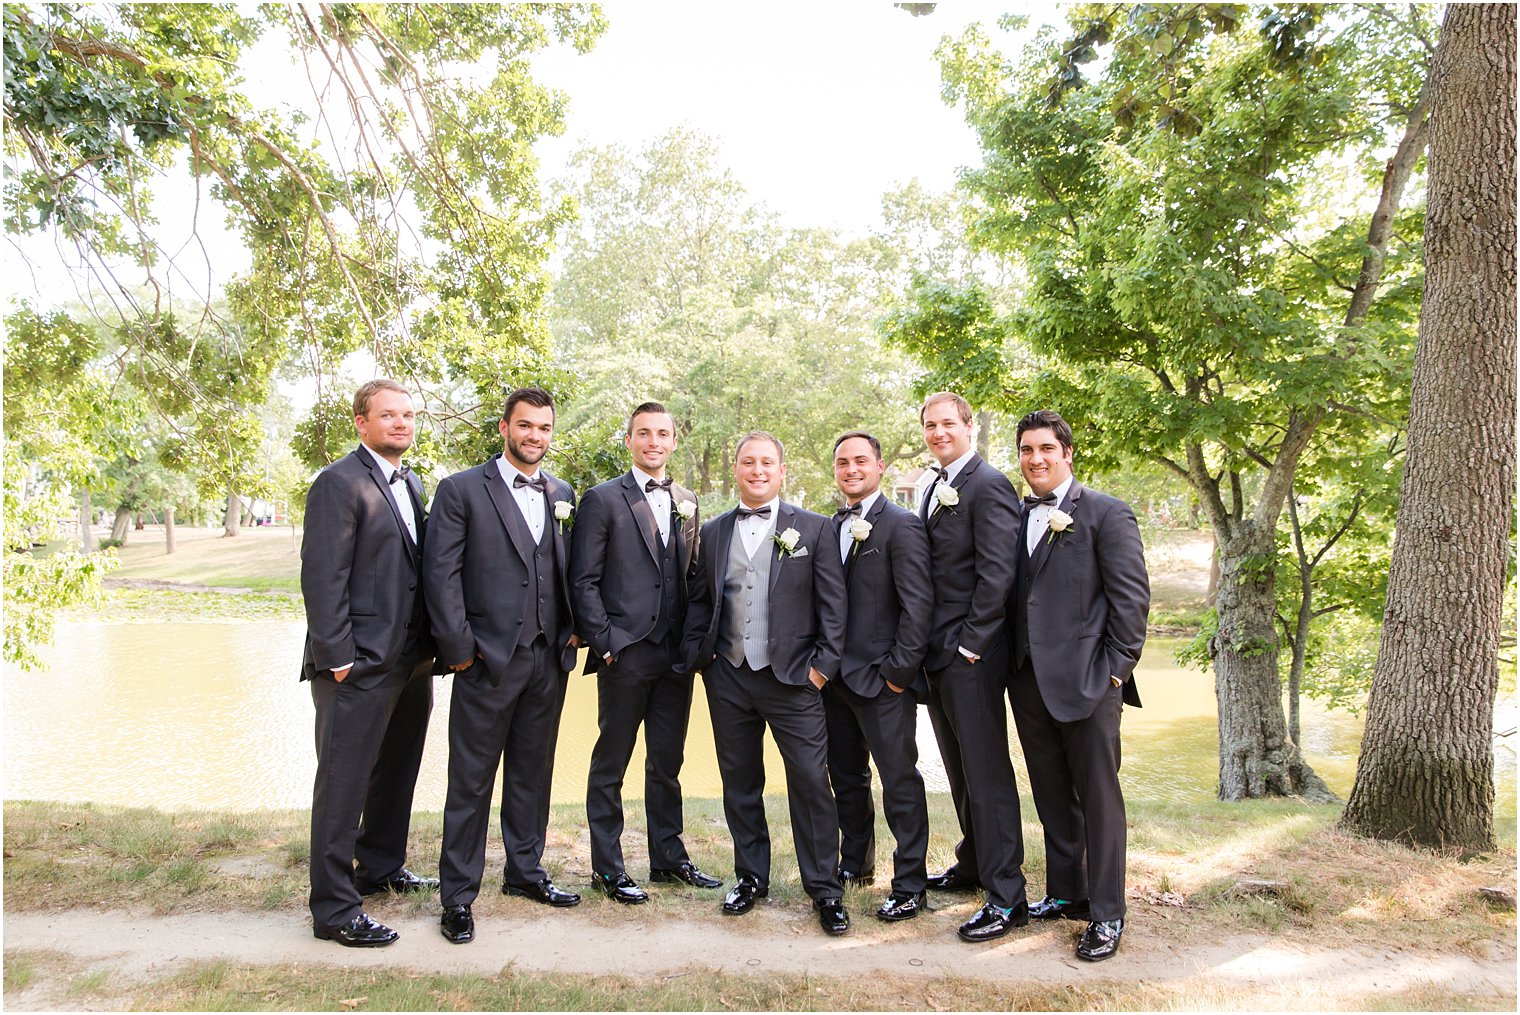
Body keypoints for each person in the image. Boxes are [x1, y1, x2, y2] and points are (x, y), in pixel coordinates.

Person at [424, 387, 581, 945]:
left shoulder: (563, 492)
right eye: (524, 425)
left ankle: (525, 872)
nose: (534, 435)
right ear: (504, 427)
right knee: (470, 782)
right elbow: (440, 578)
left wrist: (571, 635)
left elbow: (567, 572)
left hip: (547, 659)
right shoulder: (462, 490)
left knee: (532, 775)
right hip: (485, 661)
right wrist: (461, 651)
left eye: (543, 427)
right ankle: (458, 896)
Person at [681, 431, 850, 935]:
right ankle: (751, 877)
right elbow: (698, 601)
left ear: (781, 470)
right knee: (740, 782)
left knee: (810, 783)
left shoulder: (815, 529)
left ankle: (824, 889)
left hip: (794, 678)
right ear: (736, 469)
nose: (757, 471)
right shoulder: (711, 532)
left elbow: (834, 608)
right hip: (728, 675)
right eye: (748, 463)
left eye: (766, 463)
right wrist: (701, 658)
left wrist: (821, 670)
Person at [301, 379, 439, 948]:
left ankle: (379, 866)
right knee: (343, 783)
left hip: (409, 662)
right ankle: (334, 909)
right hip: (356, 666)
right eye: (388, 416)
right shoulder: (338, 483)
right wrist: (338, 659)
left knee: (396, 771)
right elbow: (322, 575)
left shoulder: (411, 483)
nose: (402, 424)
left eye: (408, 415)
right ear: (362, 423)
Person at [1008, 409, 1148, 962]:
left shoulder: (1107, 514)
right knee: (1050, 793)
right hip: (1028, 680)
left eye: (1046, 449)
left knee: (1098, 798)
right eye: (1026, 450)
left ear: (1067, 453)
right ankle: (1067, 892)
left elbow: (1131, 601)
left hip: (1091, 680)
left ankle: (1108, 914)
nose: (1036, 459)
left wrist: (1115, 670)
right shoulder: (1017, 514)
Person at [569, 401, 723, 904]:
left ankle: (668, 859)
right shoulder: (602, 499)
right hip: (625, 654)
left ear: (674, 441)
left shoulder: (687, 499)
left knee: (667, 762)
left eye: (662, 433)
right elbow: (584, 581)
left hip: (674, 657)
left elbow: (696, 577)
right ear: (630, 440)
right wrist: (607, 644)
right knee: (611, 760)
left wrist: (694, 646)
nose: (653, 441)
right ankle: (607, 868)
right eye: (644, 433)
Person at [916, 391, 1030, 943]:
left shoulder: (988, 486)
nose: (938, 432)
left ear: (968, 428)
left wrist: (969, 646)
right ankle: (974, 864)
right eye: (929, 426)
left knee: (986, 772)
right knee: (960, 770)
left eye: (947, 424)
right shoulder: (939, 487)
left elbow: (997, 574)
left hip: (971, 656)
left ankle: (1007, 896)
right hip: (936, 655)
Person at [824, 431, 934, 922]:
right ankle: (856, 865)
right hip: (835, 682)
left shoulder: (901, 526)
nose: (852, 469)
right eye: (843, 462)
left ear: (880, 466)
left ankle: (910, 882)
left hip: (884, 682)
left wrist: (897, 675)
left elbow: (918, 608)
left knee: (899, 782)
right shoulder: (829, 527)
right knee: (846, 779)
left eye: (861, 461)